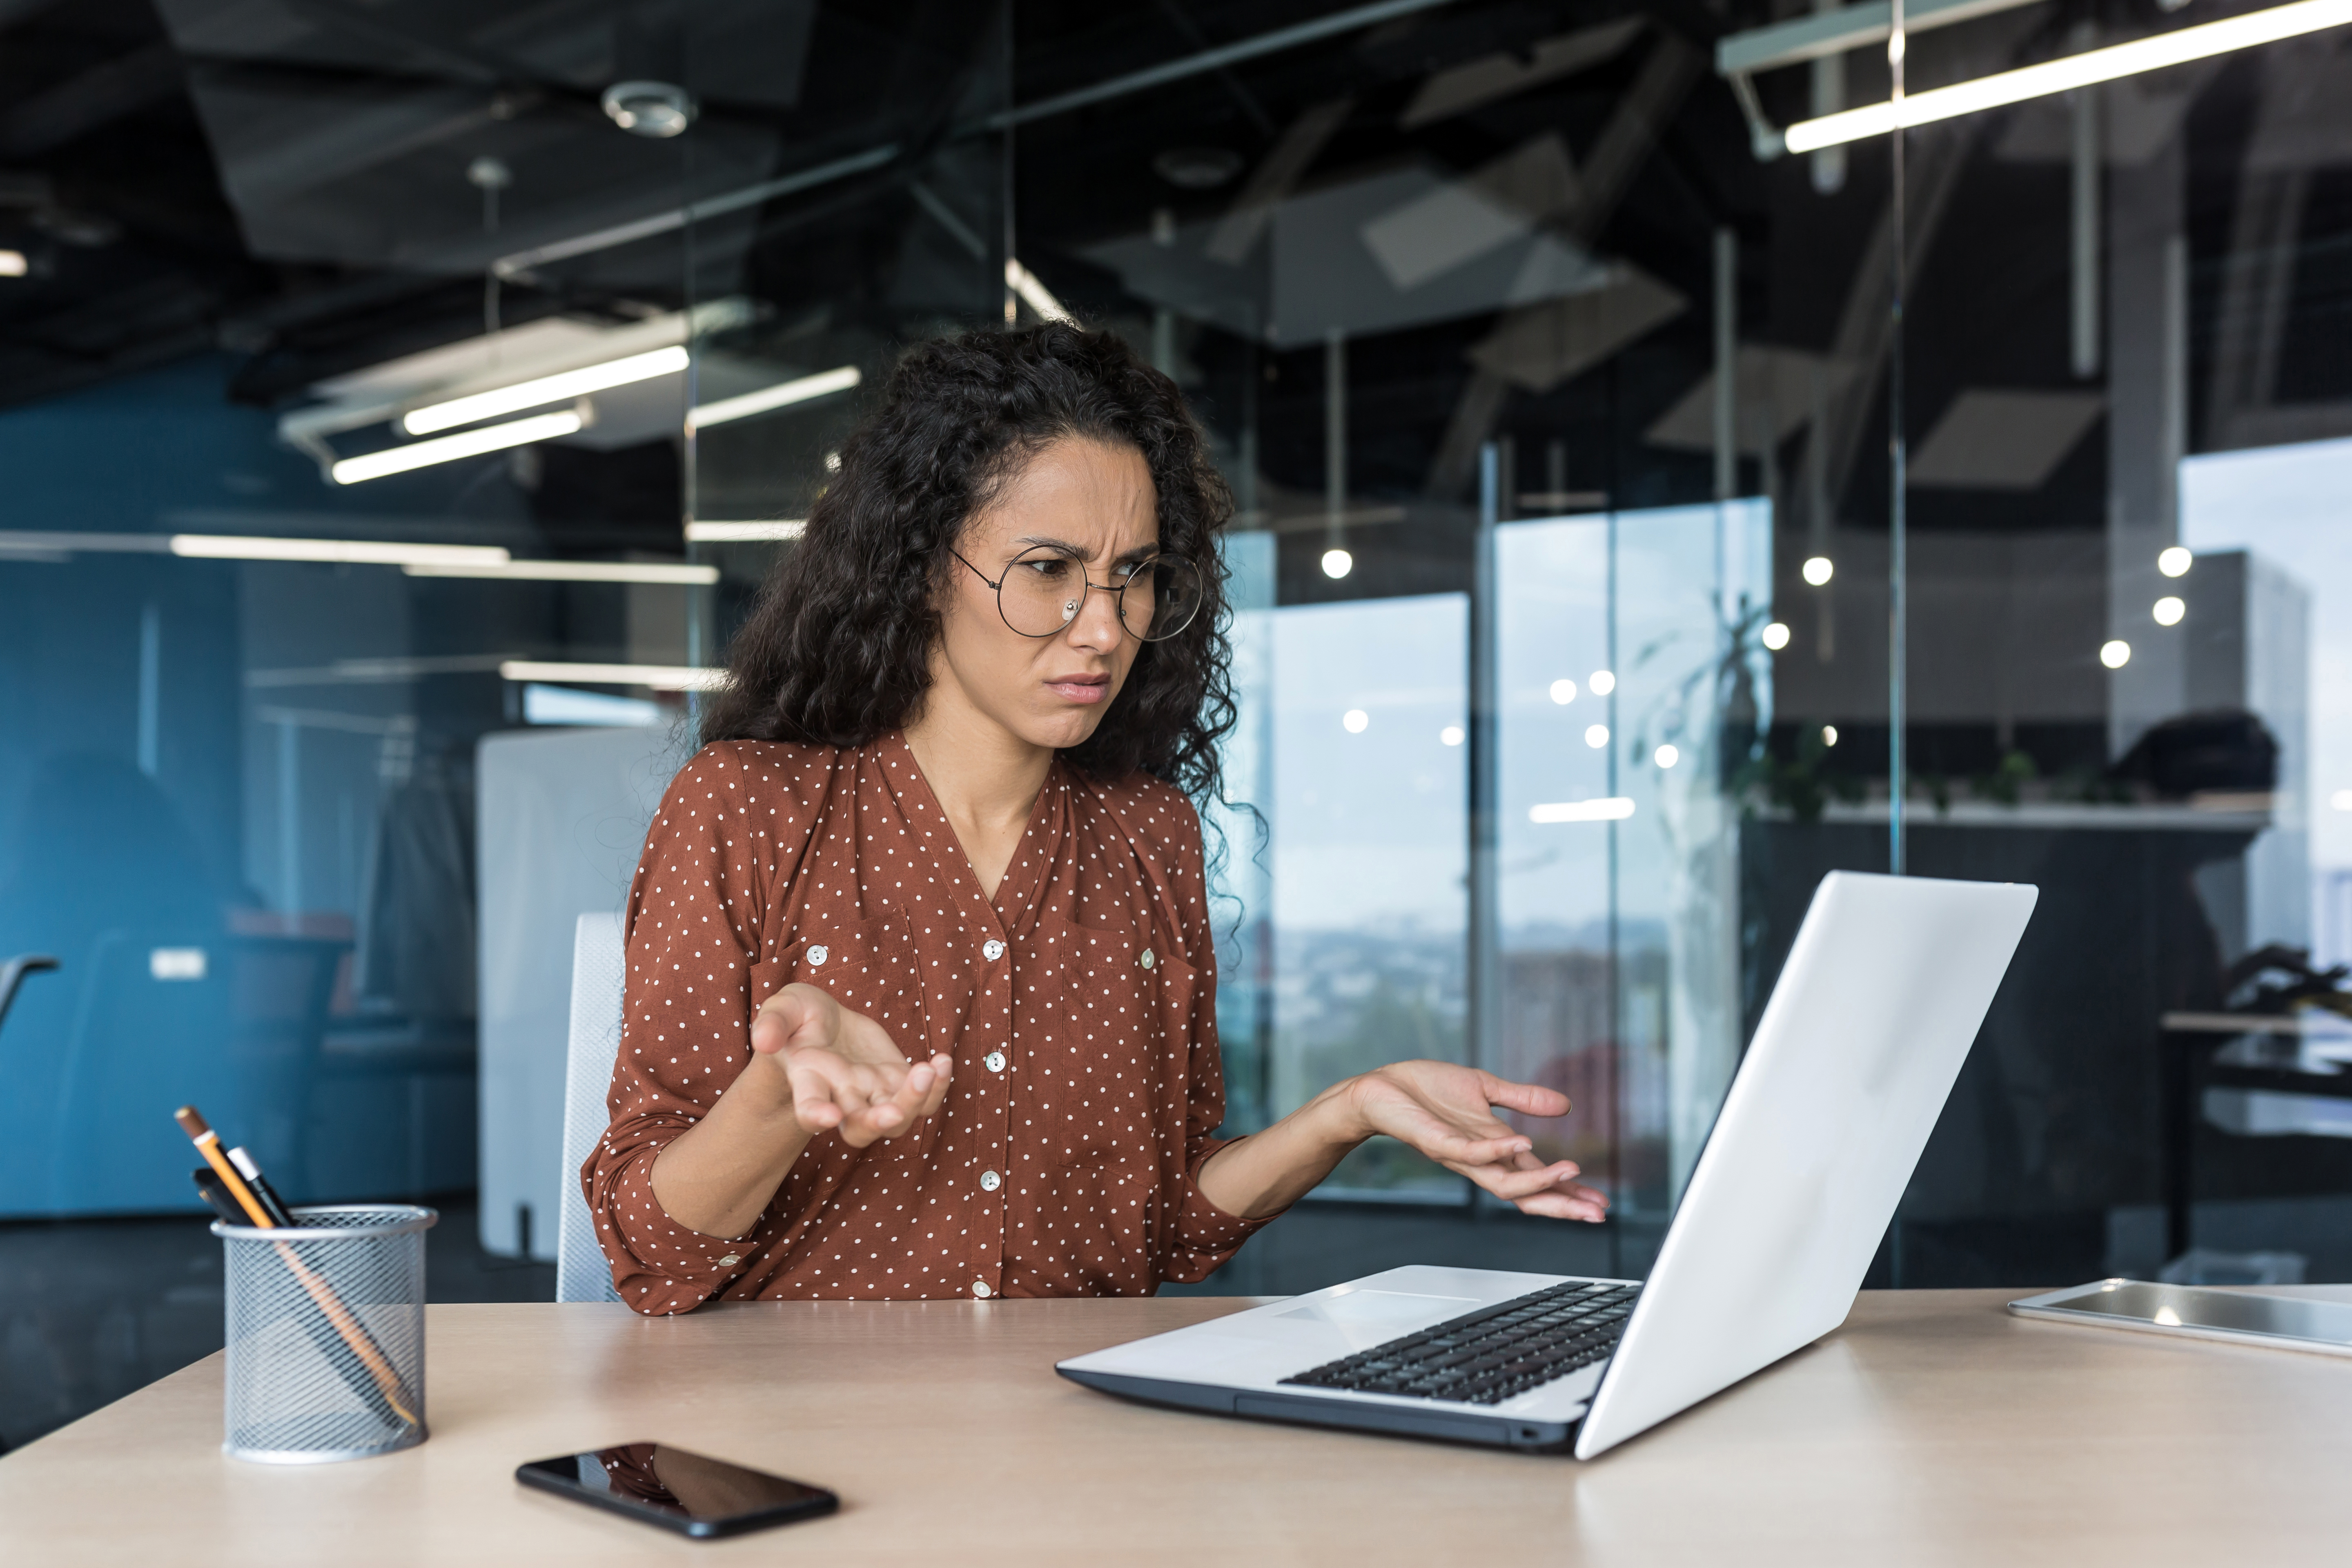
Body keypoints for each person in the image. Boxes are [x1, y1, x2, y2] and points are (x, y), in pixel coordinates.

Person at [585, 323, 1606, 1314]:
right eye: (1048, 571)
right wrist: (776, 1100)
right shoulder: (749, 807)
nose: (1107, 628)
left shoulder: (1146, 836)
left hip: (1079, 1442)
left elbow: (1161, 1226)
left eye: (1133, 576)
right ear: (922, 566)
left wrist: (1345, 1115)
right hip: (800, 1435)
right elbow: (650, 1253)